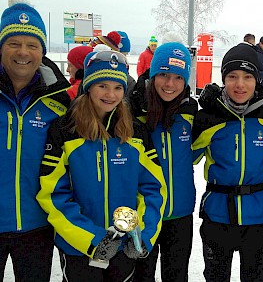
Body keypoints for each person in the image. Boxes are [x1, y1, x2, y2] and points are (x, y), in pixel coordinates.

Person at [36, 50, 167, 281]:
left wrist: (143, 237)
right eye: (102, 86)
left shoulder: (135, 132)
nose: (111, 94)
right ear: (88, 86)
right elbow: (53, 195)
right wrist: (93, 239)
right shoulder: (65, 130)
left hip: (124, 250)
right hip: (80, 249)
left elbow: (153, 189)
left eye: (117, 87)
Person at [192, 43, 263, 281]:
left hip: (259, 216)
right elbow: (181, 159)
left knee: (255, 277)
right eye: (232, 76)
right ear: (223, 79)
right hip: (217, 215)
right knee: (216, 276)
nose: (240, 84)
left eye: (247, 77)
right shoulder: (208, 119)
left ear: (257, 81)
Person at [0, 0, 71, 281]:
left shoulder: (59, 102)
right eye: (13, 43)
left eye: (32, 45)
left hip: (37, 227)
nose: (23, 52)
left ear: (42, 51)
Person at [128, 42, 198, 281]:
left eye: (179, 77)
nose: (170, 84)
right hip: (142, 214)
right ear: (153, 74)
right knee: (141, 276)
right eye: (164, 75)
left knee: (177, 276)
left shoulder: (190, 111)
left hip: (179, 214)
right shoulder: (132, 110)